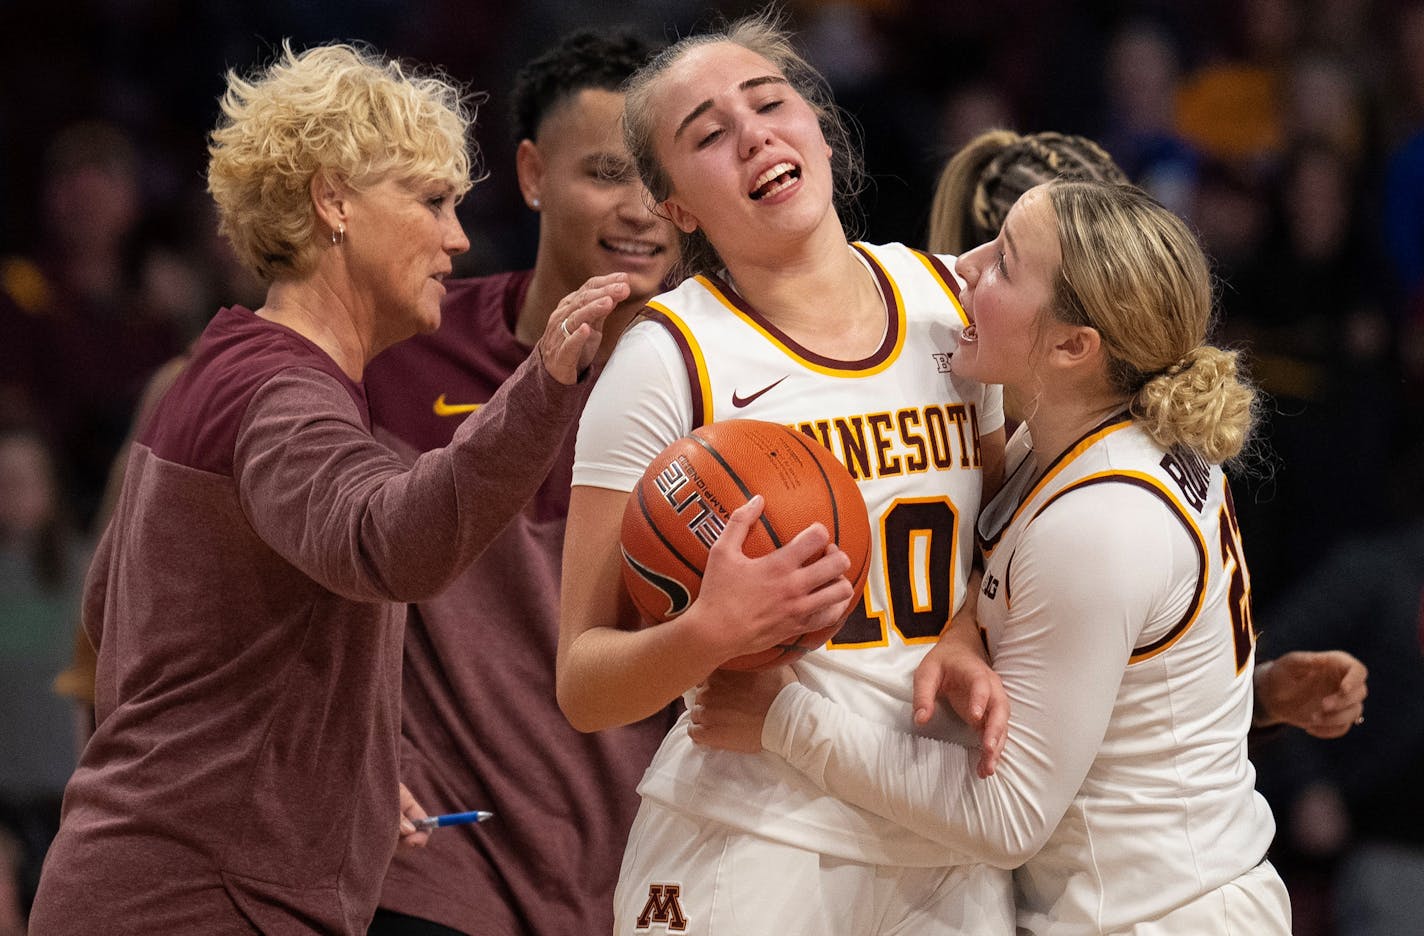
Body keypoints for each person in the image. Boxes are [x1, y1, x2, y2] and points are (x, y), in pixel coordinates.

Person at [27, 41, 627, 935]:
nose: (459, 238)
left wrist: (324, 768)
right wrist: (542, 387)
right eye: (430, 202)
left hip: (151, 889)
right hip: (203, 906)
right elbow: (393, 543)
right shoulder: (283, 395)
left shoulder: (218, 367)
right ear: (332, 200)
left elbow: (118, 623)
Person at [693, 178, 1294, 934]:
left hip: (1157, 913)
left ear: (1075, 347)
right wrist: (965, 624)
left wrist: (784, 718)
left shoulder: (1101, 525)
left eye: (1006, 264)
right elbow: (1015, 567)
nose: (967, 268)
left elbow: (1008, 814)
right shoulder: (1082, 441)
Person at [557, 13, 1011, 935]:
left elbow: (1011, 543)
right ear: (676, 205)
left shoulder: (951, 306)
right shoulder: (670, 357)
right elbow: (583, 679)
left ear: (817, 126)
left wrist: (968, 624)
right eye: (709, 135)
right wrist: (708, 633)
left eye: (769, 103)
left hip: (939, 832)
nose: (753, 133)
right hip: (750, 834)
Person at [362, 30, 679, 936]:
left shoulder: (740, 389)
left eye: (664, 181)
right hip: (434, 867)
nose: (642, 211)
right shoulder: (401, 345)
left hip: (653, 881)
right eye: (610, 173)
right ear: (533, 174)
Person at [928, 127, 1368, 740]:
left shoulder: (1105, 480)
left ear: (1076, 337)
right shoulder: (1137, 420)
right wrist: (1253, 699)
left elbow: (1040, 780)